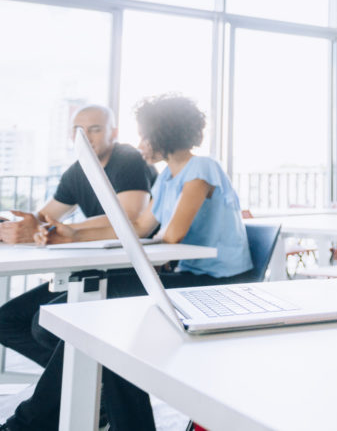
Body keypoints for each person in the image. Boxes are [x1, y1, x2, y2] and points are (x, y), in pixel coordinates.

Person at [1, 95, 252, 431]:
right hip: (187, 275)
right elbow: (140, 227)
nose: (140, 143)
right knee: (96, 330)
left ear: (165, 133)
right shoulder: (165, 179)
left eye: (145, 135)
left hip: (216, 284)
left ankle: (28, 425)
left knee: (91, 314)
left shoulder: (202, 168)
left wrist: (85, 232)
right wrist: (70, 234)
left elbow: (173, 234)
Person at [0, 104, 154, 369]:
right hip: (94, 269)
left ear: (113, 132)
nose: (86, 137)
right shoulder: (77, 171)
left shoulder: (128, 158)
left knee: (44, 324)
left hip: (133, 270)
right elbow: (45, 217)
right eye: (79, 130)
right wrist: (15, 226)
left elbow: (128, 216)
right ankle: (84, 388)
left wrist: (62, 229)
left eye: (95, 129)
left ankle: (85, 390)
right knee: (6, 320)